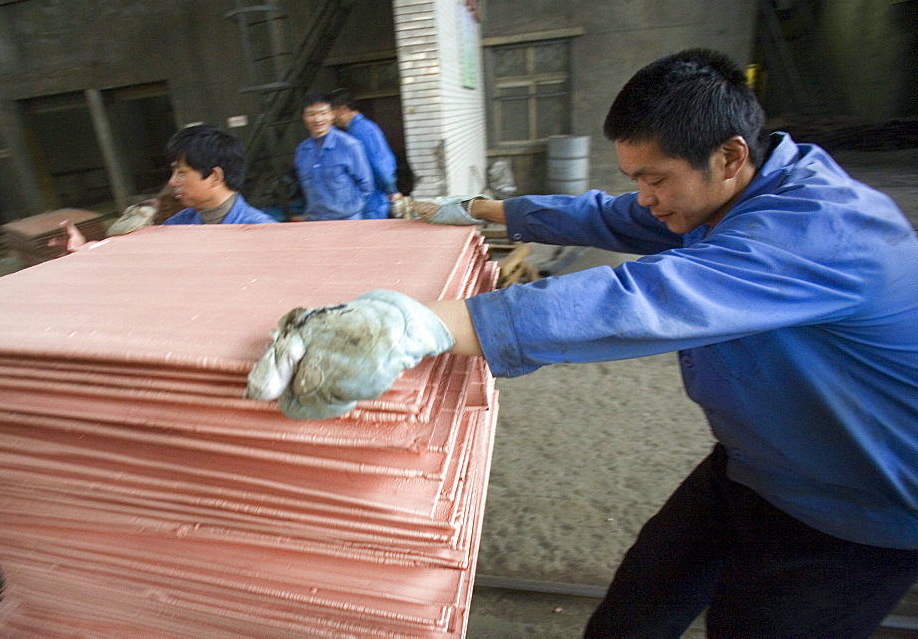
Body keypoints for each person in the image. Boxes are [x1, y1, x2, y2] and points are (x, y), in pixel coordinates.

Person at [245, 48, 918, 636]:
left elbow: (644, 298)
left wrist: (424, 324)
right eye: (637, 178)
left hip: (853, 507)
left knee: (752, 624)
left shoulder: (823, 232)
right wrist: (479, 210)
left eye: (656, 179)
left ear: (730, 155)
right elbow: (608, 215)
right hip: (755, 459)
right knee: (635, 609)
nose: (646, 198)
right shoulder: (727, 192)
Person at [56, 124, 274, 252]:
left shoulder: (265, 233)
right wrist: (87, 250)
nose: (172, 182)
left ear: (215, 176)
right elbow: (135, 258)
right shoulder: (178, 225)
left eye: (182, 173)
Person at [293, 93, 374, 221]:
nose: (318, 119)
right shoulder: (302, 151)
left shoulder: (349, 145)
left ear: (332, 114)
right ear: (303, 117)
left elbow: (366, 184)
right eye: (311, 114)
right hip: (315, 222)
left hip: (347, 221)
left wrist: (350, 210)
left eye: (323, 113)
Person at [327, 88, 402, 219]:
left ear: (342, 109)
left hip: (372, 201)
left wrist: (392, 190)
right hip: (371, 199)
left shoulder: (361, 131)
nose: (330, 118)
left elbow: (380, 165)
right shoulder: (361, 128)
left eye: (331, 112)